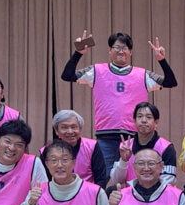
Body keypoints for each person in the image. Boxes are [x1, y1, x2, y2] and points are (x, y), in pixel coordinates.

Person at [61, 31, 178, 168]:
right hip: (106, 138)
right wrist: (78, 53)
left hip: (135, 138)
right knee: (105, 176)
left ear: (131, 52)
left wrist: (161, 60)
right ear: (110, 50)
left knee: (135, 175)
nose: (121, 51)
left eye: (125, 48)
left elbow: (170, 82)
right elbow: (67, 75)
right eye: (117, 47)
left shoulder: (143, 75)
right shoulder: (96, 71)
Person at [111, 102, 178, 187]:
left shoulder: (166, 147)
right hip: (131, 193)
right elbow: (116, 180)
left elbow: (169, 180)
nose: (143, 120)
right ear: (134, 121)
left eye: (148, 117)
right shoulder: (124, 147)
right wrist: (124, 161)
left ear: (156, 122)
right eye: (140, 116)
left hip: (159, 194)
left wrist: (145, 193)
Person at [45, 109, 108, 185]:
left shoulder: (92, 146)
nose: (70, 131)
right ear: (56, 131)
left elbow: (101, 178)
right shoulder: (47, 151)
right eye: (64, 128)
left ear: (80, 129)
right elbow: (45, 180)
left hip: (87, 191)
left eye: (73, 127)